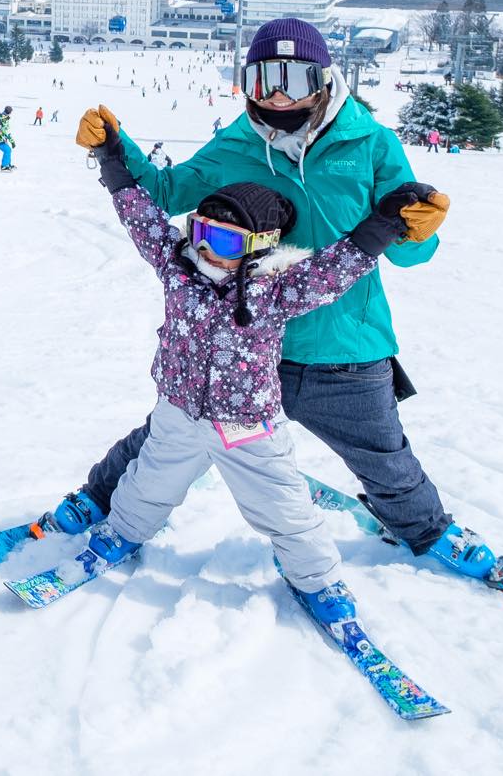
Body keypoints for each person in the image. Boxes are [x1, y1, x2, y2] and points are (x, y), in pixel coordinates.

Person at [57, 19, 499, 584]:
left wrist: (417, 229)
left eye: (294, 77)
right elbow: (165, 195)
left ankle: (427, 531)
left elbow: (413, 255)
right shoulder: (237, 143)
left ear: (324, 78)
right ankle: (99, 497)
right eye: (263, 77)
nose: (278, 94)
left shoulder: (370, 144)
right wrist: (115, 151)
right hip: (239, 346)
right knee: (166, 435)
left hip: (340, 347)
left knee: (385, 457)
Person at [74, 109, 437, 623]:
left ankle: (319, 580)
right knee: (147, 485)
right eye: (200, 231)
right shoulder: (179, 268)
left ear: (258, 248)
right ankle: (122, 532)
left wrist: (383, 226)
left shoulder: (275, 290)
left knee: (284, 510)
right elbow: (138, 210)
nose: (203, 247)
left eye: (222, 241)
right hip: (178, 413)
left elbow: (337, 267)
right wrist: (111, 158)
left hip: (248, 428)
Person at [0, 106, 16, 171]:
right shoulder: (4, 119)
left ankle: (8, 164)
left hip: (1, 138)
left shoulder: (2, 117)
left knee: (8, 150)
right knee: (7, 150)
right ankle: (4, 166)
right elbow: (6, 131)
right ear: (9, 112)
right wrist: (12, 141)